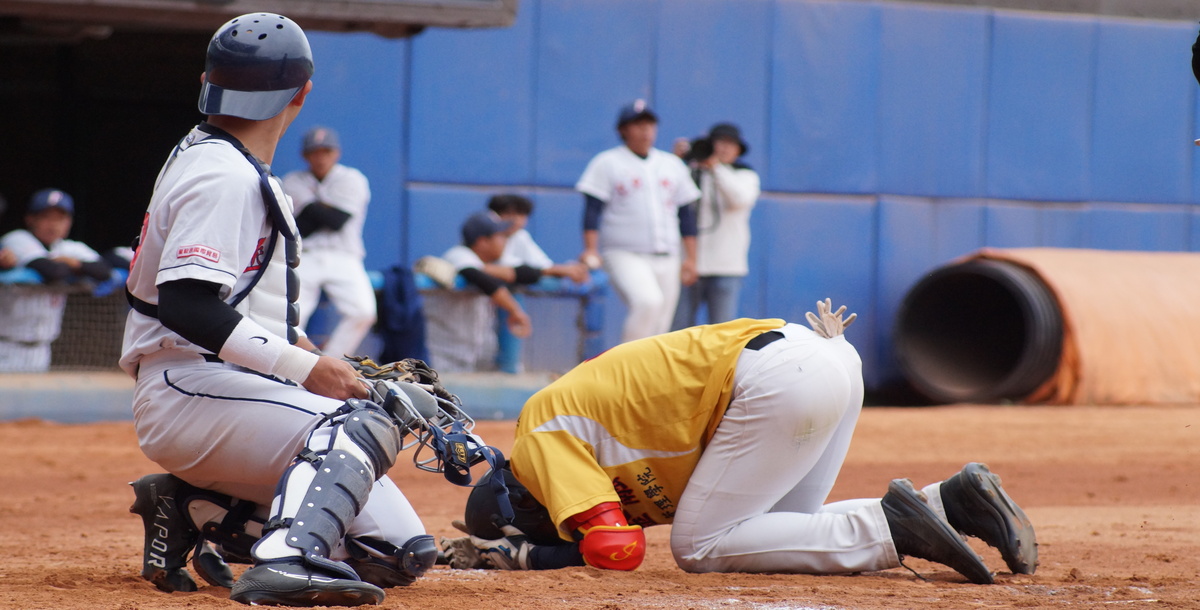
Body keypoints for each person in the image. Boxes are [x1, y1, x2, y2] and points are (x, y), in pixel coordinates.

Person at [121, 14, 438, 606]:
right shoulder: (221, 175)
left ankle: (190, 505)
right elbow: (186, 305)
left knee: (396, 553)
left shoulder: (224, 158)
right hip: (189, 388)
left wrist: (332, 364)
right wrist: (306, 371)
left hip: (231, 389)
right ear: (303, 92)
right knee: (356, 427)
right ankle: (285, 561)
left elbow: (243, 305)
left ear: (206, 83)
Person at [441, 300, 1037, 584]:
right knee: (777, 534)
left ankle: (890, 527)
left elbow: (615, 551)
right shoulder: (584, 452)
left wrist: (519, 555)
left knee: (698, 547)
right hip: (813, 363)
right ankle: (950, 503)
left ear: (524, 504)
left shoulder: (538, 437)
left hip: (775, 381)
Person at [576, 99, 701, 344]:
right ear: (623, 130)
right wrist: (590, 248)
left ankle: (651, 380)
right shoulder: (607, 162)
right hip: (624, 253)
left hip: (669, 255)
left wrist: (692, 259)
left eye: (650, 125)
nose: (645, 131)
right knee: (647, 302)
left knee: (661, 323)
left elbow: (686, 214)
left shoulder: (671, 164)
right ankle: (624, 369)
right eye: (638, 125)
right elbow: (592, 210)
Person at [282, 126, 378, 359]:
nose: (320, 157)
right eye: (315, 152)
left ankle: (331, 361)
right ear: (305, 156)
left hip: (344, 255)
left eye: (326, 151)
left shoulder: (352, 179)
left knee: (364, 311)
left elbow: (336, 221)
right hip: (306, 255)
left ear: (336, 153)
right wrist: (323, 209)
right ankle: (295, 362)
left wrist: (313, 206)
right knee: (290, 316)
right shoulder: (293, 180)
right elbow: (302, 227)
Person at [0, 188, 111, 372]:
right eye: (46, 217)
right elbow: (53, 272)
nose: (53, 225)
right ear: (30, 219)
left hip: (42, 350)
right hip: (6, 347)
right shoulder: (17, 239)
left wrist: (73, 263)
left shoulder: (68, 248)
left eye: (60, 218)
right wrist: (72, 266)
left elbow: (104, 271)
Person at [670, 123, 760, 329]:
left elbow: (739, 199)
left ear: (739, 150)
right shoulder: (690, 171)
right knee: (678, 330)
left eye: (731, 144)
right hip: (689, 265)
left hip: (727, 267)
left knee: (722, 333)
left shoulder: (745, 175)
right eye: (720, 143)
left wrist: (716, 168)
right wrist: (675, 162)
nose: (724, 149)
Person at [423, 211, 533, 372]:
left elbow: (526, 273)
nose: (505, 241)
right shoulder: (458, 254)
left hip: (468, 357)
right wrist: (515, 310)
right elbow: (479, 278)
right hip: (442, 355)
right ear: (482, 242)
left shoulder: (489, 261)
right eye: (500, 236)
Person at [488, 194, 589, 284]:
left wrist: (568, 269)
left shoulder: (519, 235)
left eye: (521, 215)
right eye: (510, 214)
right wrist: (559, 270)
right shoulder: (483, 234)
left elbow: (542, 264)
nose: (516, 220)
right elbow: (507, 269)